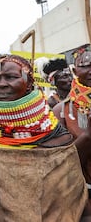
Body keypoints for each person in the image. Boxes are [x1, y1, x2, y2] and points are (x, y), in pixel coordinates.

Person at [0, 54, 87, 222]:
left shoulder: (56, 138)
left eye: (11, 77)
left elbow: (70, 199)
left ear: (29, 84)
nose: (1, 84)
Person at [53, 47, 91, 218]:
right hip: (80, 197)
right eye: (86, 66)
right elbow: (62, 163)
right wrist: (88, 135)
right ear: (75, 71)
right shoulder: (61, 110)